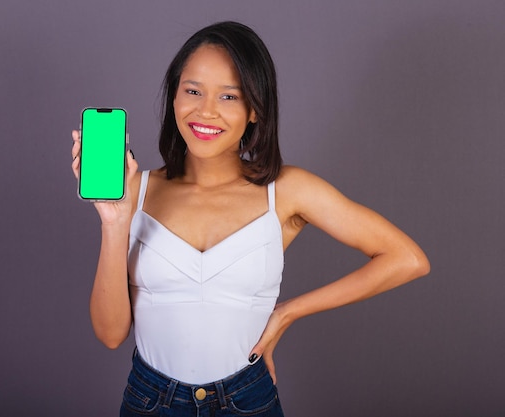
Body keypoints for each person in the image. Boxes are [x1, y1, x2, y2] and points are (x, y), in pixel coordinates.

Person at [71, 21, 430, 417]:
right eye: (192, 91)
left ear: (255, 108)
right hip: (149, 401)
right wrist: (114, 221)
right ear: (174, 97)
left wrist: (287, 314)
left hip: (246, 401)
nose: (205, 111)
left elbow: (407, 259)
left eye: (229, 96)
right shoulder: (133, 191)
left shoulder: (287, 190)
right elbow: (110, 334)